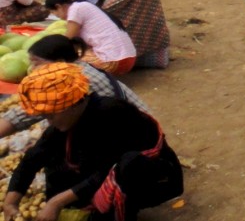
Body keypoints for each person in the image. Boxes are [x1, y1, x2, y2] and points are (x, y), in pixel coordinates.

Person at [3, 63, 183, 221]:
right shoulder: (66, 121)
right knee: (53, 159)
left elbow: (105, 171)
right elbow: (31, 161)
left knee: (128, 167)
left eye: (51, 115)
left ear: (71, 105)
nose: (49, 120)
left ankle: (118, 213)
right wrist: (11, 202)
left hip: (153, 174)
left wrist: (56, 203)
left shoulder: (112, 114)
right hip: (101, 169)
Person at [0, 34, 148, 140]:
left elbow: (28, 113)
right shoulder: (76, 70)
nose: (32, 69)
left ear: (59, 62)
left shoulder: (77, 82)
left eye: (37, 63)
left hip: (135, 135)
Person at [38, 0, 171, 69]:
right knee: (145, 13)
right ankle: (152, 54)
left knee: (111, 16)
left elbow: (96, 9)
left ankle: (125, 55)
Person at [44, 0, 136, 75]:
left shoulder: (75, 10)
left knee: (65, 62)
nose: (57, 16)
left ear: (58, 7)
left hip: (115, 61)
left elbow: (66, 40)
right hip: (128, 58)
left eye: (53, 12)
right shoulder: (84, 5)